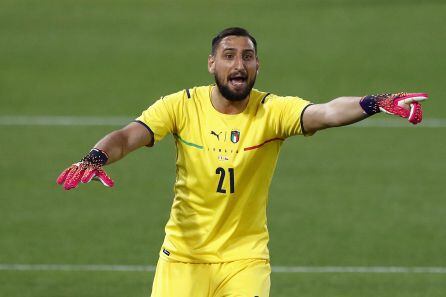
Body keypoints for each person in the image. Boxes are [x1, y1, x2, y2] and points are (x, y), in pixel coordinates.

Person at [57, 27, 428, 297]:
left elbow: (327, 112)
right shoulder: (181, 105)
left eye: (247, 57)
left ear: (257, 65)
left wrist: (375, 102)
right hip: (183, 258)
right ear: (211, 63)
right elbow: (127, 136)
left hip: (244, 260)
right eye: (229, 55)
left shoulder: (272, 111)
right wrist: (95, 157)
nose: (239, 64)